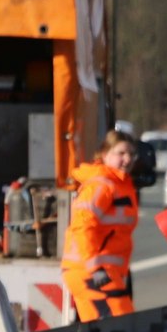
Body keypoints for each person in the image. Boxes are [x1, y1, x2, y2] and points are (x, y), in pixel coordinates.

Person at [62, 129, 140, 322]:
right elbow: (82, 227)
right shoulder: (101, 185)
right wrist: (94, 268)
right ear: (105, 154)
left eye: (131, 154)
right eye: (121, 153)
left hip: (103, 272)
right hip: (90, 272)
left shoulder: (120, 184)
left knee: (119, 331)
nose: (127, 159)